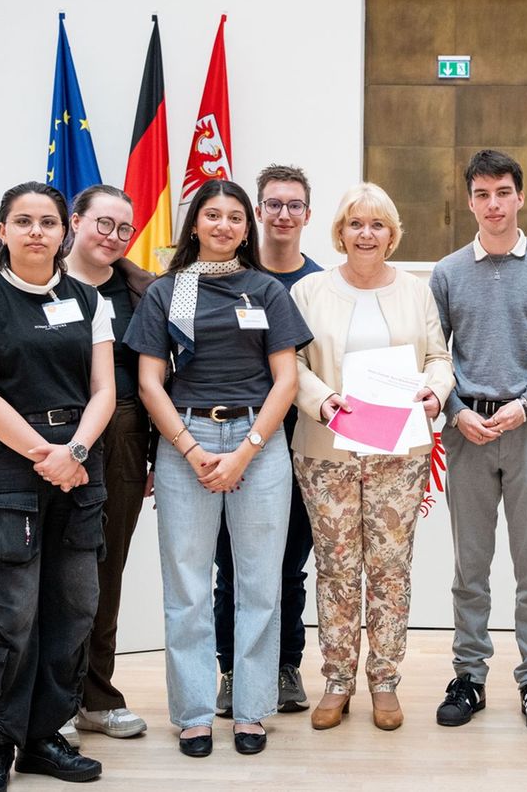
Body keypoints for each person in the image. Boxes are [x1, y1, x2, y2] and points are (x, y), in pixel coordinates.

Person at [126, 178, 312, 758]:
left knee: (260, 583)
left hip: (258, 442)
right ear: (196, 224)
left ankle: (252, 710)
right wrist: (189, 448)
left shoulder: (265, 290)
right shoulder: (171, 291)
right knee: (187, 588)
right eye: (213, 215)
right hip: (188, 440)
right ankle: (194, 714)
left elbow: (287, 378)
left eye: (235, 217)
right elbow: (149, 381)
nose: (225, 225)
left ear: (246, 226)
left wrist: (248, 449)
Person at [0, 181, 116, 791]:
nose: (36, 232)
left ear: (64, 230)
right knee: (10, 611)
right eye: (23, 221)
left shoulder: (88, 299)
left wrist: (72, 452)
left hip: (78, 463)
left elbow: (105, 389)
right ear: (3, 229)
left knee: (73, 607)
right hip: (9, 469)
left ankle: (46, 736)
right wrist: (45, 454)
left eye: (48, 222)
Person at [290, 182, 454, 731]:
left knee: (389, 569)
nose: (366, 234)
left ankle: (385, 681)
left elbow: (438, 356)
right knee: (337, 569)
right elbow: (287, 363)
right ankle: (337, 680)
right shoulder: (310, 291)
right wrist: (321, 400)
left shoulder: (415, 290)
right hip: (326, 448)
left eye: (377, 225)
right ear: (340, 231)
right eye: (356, 224)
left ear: (392, 233)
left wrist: (436, 390)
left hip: (398, 449)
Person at [428, 149, 527, 734]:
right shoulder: (446, 273)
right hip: (466, 432)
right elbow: (433, 355)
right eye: (482, 194)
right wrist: (458, 410)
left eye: (504, 193)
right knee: (470, 564)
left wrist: (526, 405)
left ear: (521, 197)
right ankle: (469, 675)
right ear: (470, 201)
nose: (494, 204)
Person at [213, 164, 324, 719]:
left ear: (308, 213)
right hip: (230, 445)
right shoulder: (230, 276)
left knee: (286, 567)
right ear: (258, 211)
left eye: (294, 205)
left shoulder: (322, 285)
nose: (283, 214)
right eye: (273, 204)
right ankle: (232, 672)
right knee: (232, 568)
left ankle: (284, 666)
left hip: (301, 447)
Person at [60, 184, 156, 743]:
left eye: (125, 229)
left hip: (122, 439)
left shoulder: (141, 290)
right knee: (52, 573)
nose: (114, 237)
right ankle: (53, 699)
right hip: (51, 440)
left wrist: (152, 454)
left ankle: (96, 696)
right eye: (103, 224)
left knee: (104, 571)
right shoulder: (40, 284)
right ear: (75, 221)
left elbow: (159, 378)